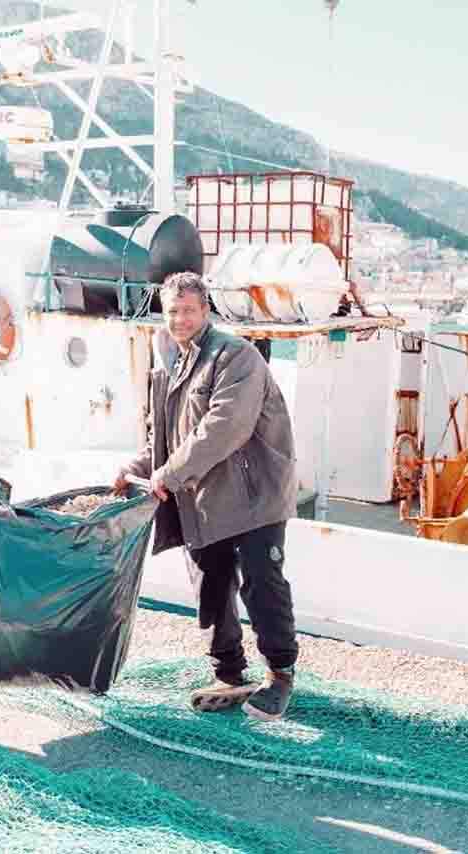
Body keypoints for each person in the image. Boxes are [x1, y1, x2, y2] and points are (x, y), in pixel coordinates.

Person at [114, 271, 300, 721]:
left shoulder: (237, 357)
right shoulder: (168, 366)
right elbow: (163, 438)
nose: (180, 319)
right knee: (211, 588)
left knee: (262, 583)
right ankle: (230, 673)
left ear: (206, 311)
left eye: (189, 310)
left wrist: (168, 474)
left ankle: (280, 675)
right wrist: (135, 470)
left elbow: (224, 429)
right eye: (172, 311)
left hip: (255, 498)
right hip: (204, 499)